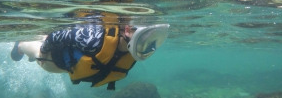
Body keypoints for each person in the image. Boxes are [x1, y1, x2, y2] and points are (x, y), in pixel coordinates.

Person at [10, 21, 169, 90]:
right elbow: (56, 36)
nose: (147, 44)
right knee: (37, 52)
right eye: (143, 38)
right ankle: (20, 47)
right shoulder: (93, 36)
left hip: (73, 66)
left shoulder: (132, 51)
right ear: (127, 30)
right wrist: (44, 51)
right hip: (53, 62)